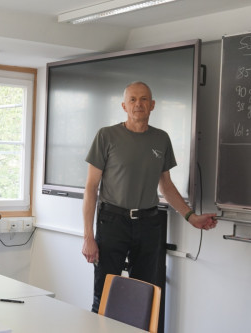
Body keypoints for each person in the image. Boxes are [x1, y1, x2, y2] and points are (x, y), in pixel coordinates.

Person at [82, 81, 217, 313]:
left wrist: (191, 217)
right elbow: (91, 188)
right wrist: (88, 236)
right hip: (113, 221)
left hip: (148, 224)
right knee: (105, 294)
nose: (138, 104)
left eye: (144, 99)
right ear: (124, 106)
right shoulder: (106, 136)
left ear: (152, 105)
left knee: (144, 296)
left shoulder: (161, 139)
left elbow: (166, 185)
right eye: (132, 100)